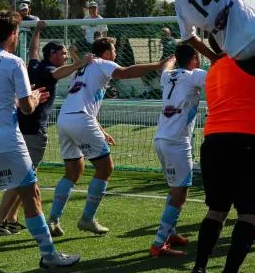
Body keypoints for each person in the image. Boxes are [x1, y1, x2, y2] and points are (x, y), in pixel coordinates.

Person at [0, 11, 80, 273]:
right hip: (5, 137)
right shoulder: (14, 62)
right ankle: (49, 254)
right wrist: (36, 98)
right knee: (32, 192)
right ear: (14, 34)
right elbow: (27, 107)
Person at [48, 37, 169, 236]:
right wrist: (159, 65)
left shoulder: (83, 68)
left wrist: (100, 130)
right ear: (106, 53)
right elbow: (126, 72)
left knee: (73, 171)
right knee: (105, 167)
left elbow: (84, 101)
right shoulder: (103, 63)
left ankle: (53, 220)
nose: (115, 55)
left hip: (65, 119)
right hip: (80, 120)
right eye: (113, 51)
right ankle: (87, 219)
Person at [182, 55, 255, 273]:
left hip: (214, 142)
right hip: (246, 143)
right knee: (249, 215)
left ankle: (197, 271)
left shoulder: (216, 66)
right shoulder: (253, 61)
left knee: (216, 211)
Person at [0, 23, 90, 235]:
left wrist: (37, 31)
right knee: (23, 176)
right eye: (63, 53)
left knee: (29, 174)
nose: (65, 56)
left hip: (22, 127)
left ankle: (11, 217)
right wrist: (81, 63)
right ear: (53, 54)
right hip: (33, 131)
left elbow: (34, 50)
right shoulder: (47, 70)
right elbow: (61, 72)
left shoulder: (35, 65)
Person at [150, 43, 205, 257]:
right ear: (194, 58)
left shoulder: (168, 77)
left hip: (161, 138)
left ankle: (170, 233)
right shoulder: (194, 76)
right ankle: (158, 243)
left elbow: (165, 68)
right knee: (179, 193)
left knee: (176, 188)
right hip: (177, 142)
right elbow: (217, 77)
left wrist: (172, 59)